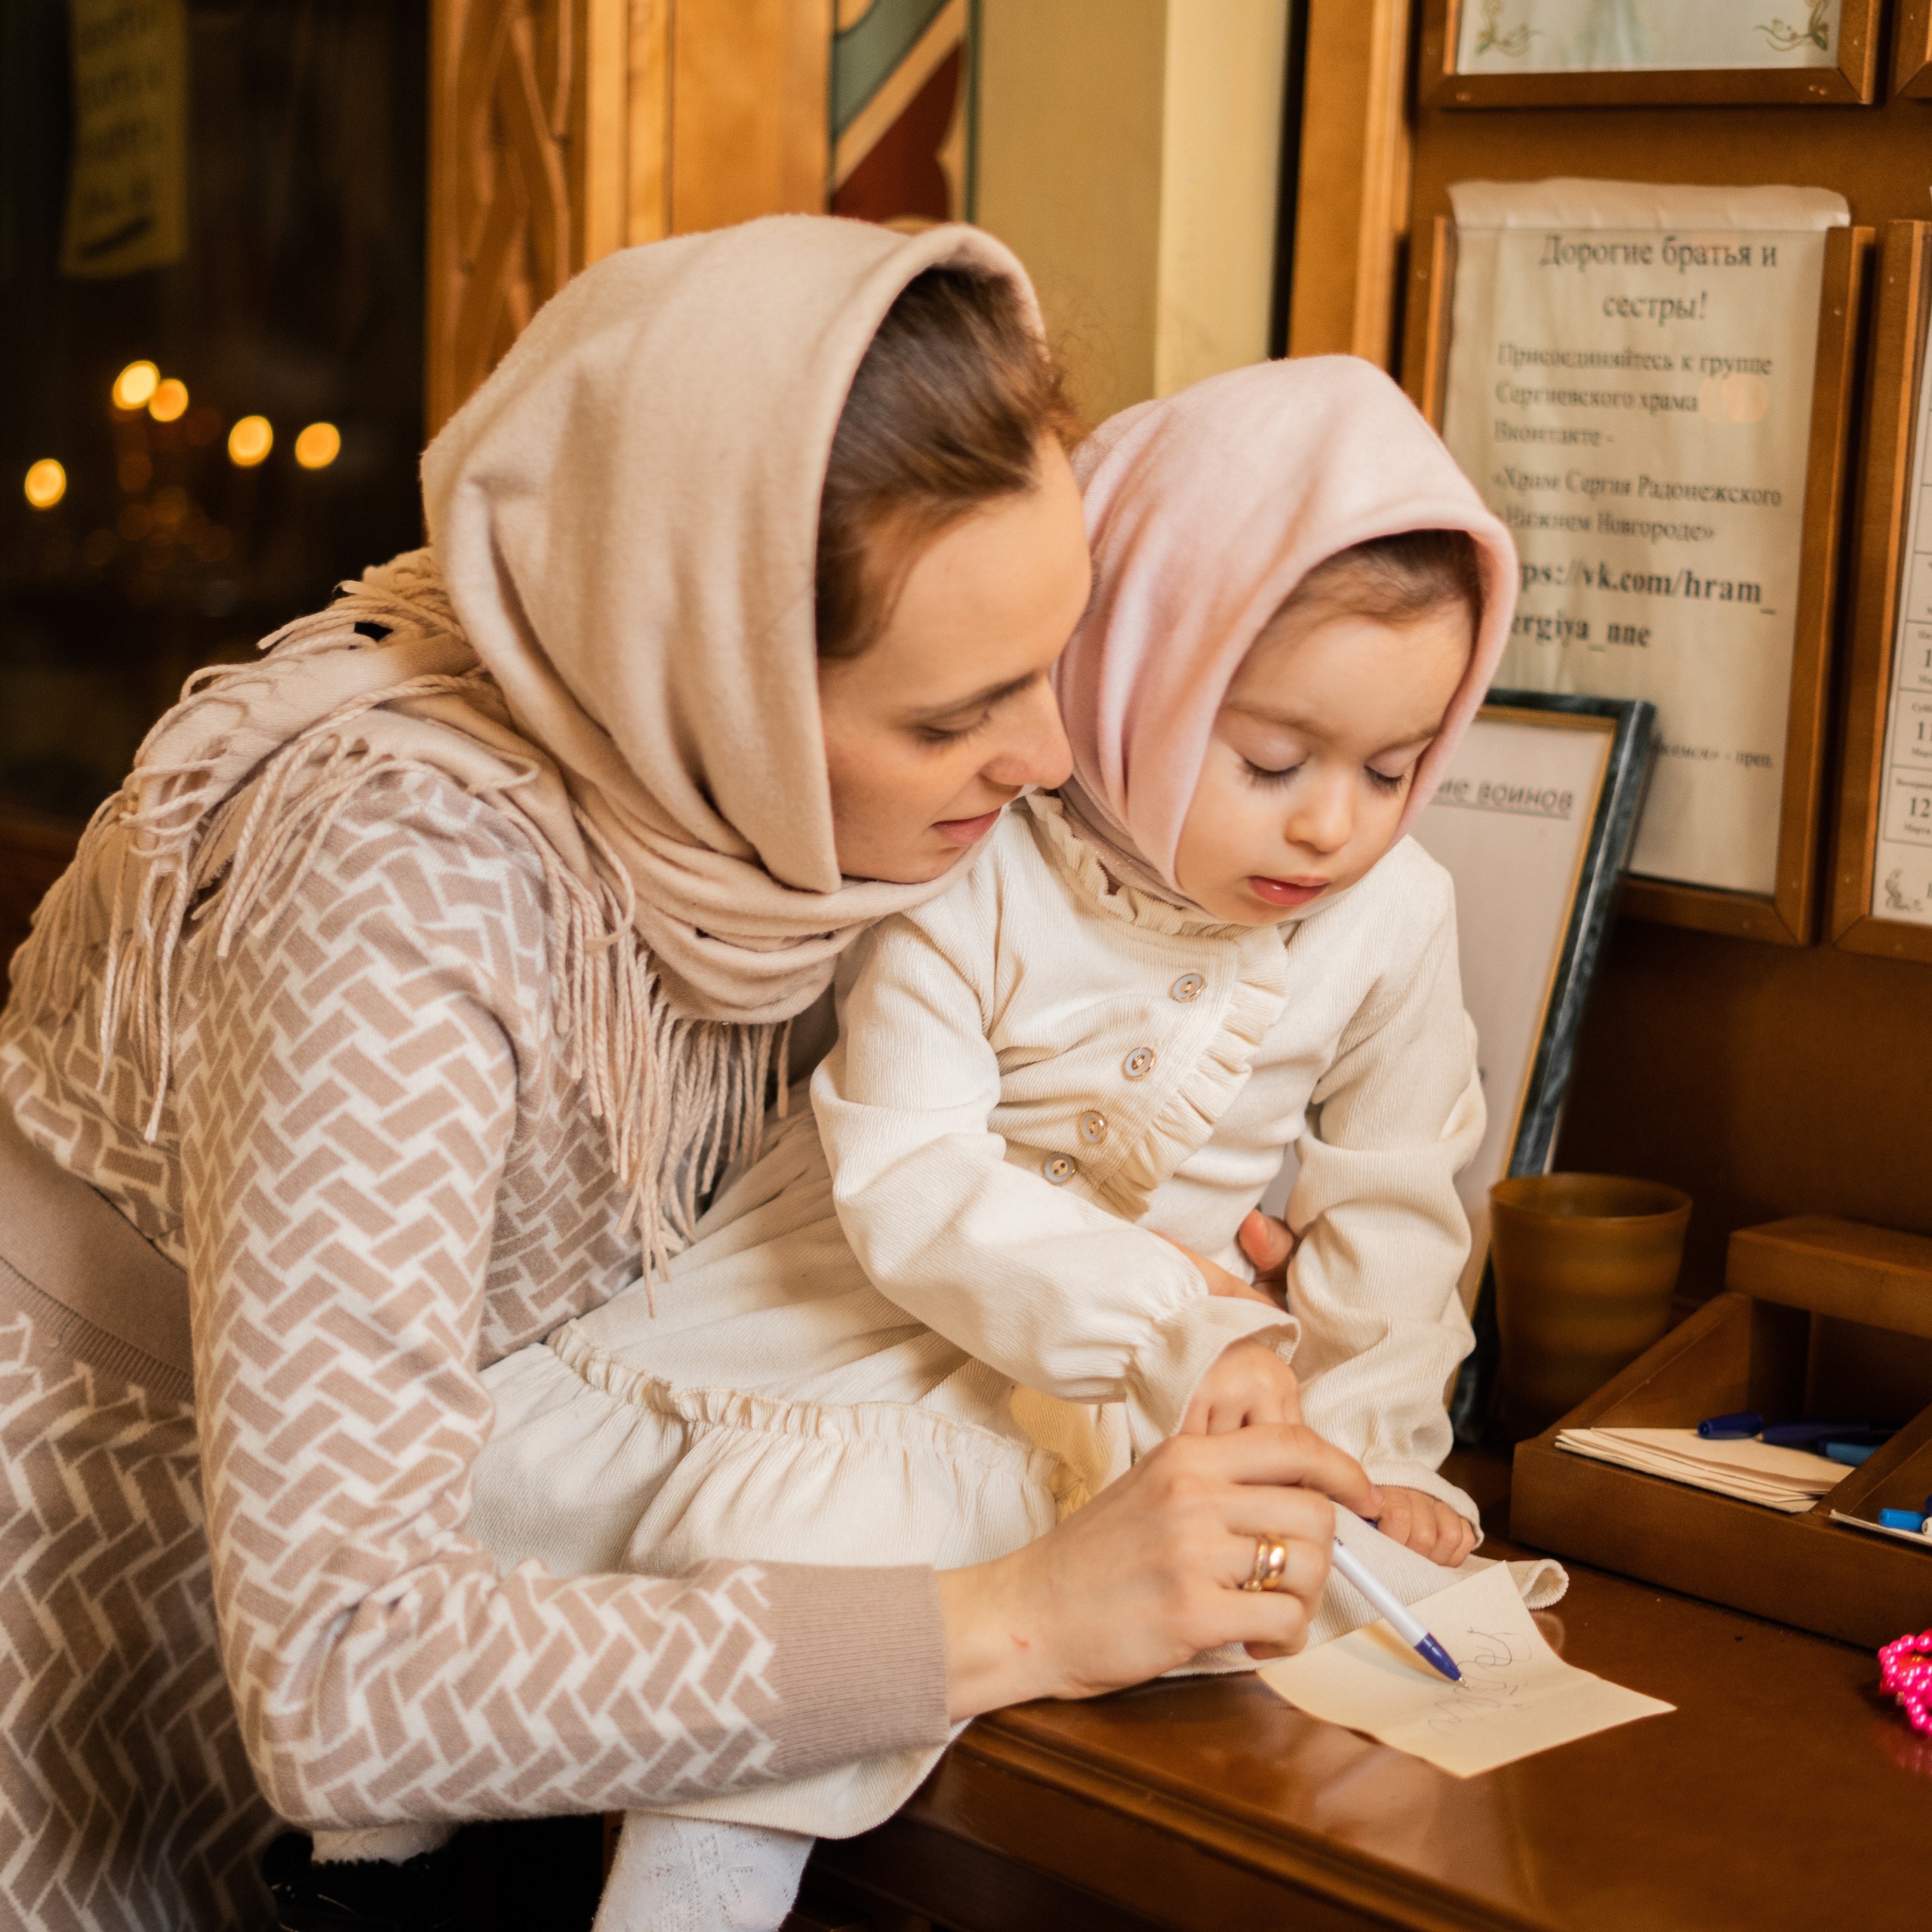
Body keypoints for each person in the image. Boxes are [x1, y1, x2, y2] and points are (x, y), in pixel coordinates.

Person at [0, 219, 1372, 1932]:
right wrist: (1021, 1612)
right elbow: (349, 1676)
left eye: (1057, 662)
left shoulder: (753, 831)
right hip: (97, 1686)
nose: (1043, 760)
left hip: (488, 1661)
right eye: (952, 719)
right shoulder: (399, 877)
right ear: (708, 683)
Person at [465, 355, 1524, 1931]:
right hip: (871, 1311)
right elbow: (906, 1171)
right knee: (823, 1560)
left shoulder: (1393, 913)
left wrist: (1363, 1456)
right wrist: (1172, 1318)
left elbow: (1396, 1199)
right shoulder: (978, 861)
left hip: (1159, 1383)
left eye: (1392, 767)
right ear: (1129, 673)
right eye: (1272, 759)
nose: (1332, 827)